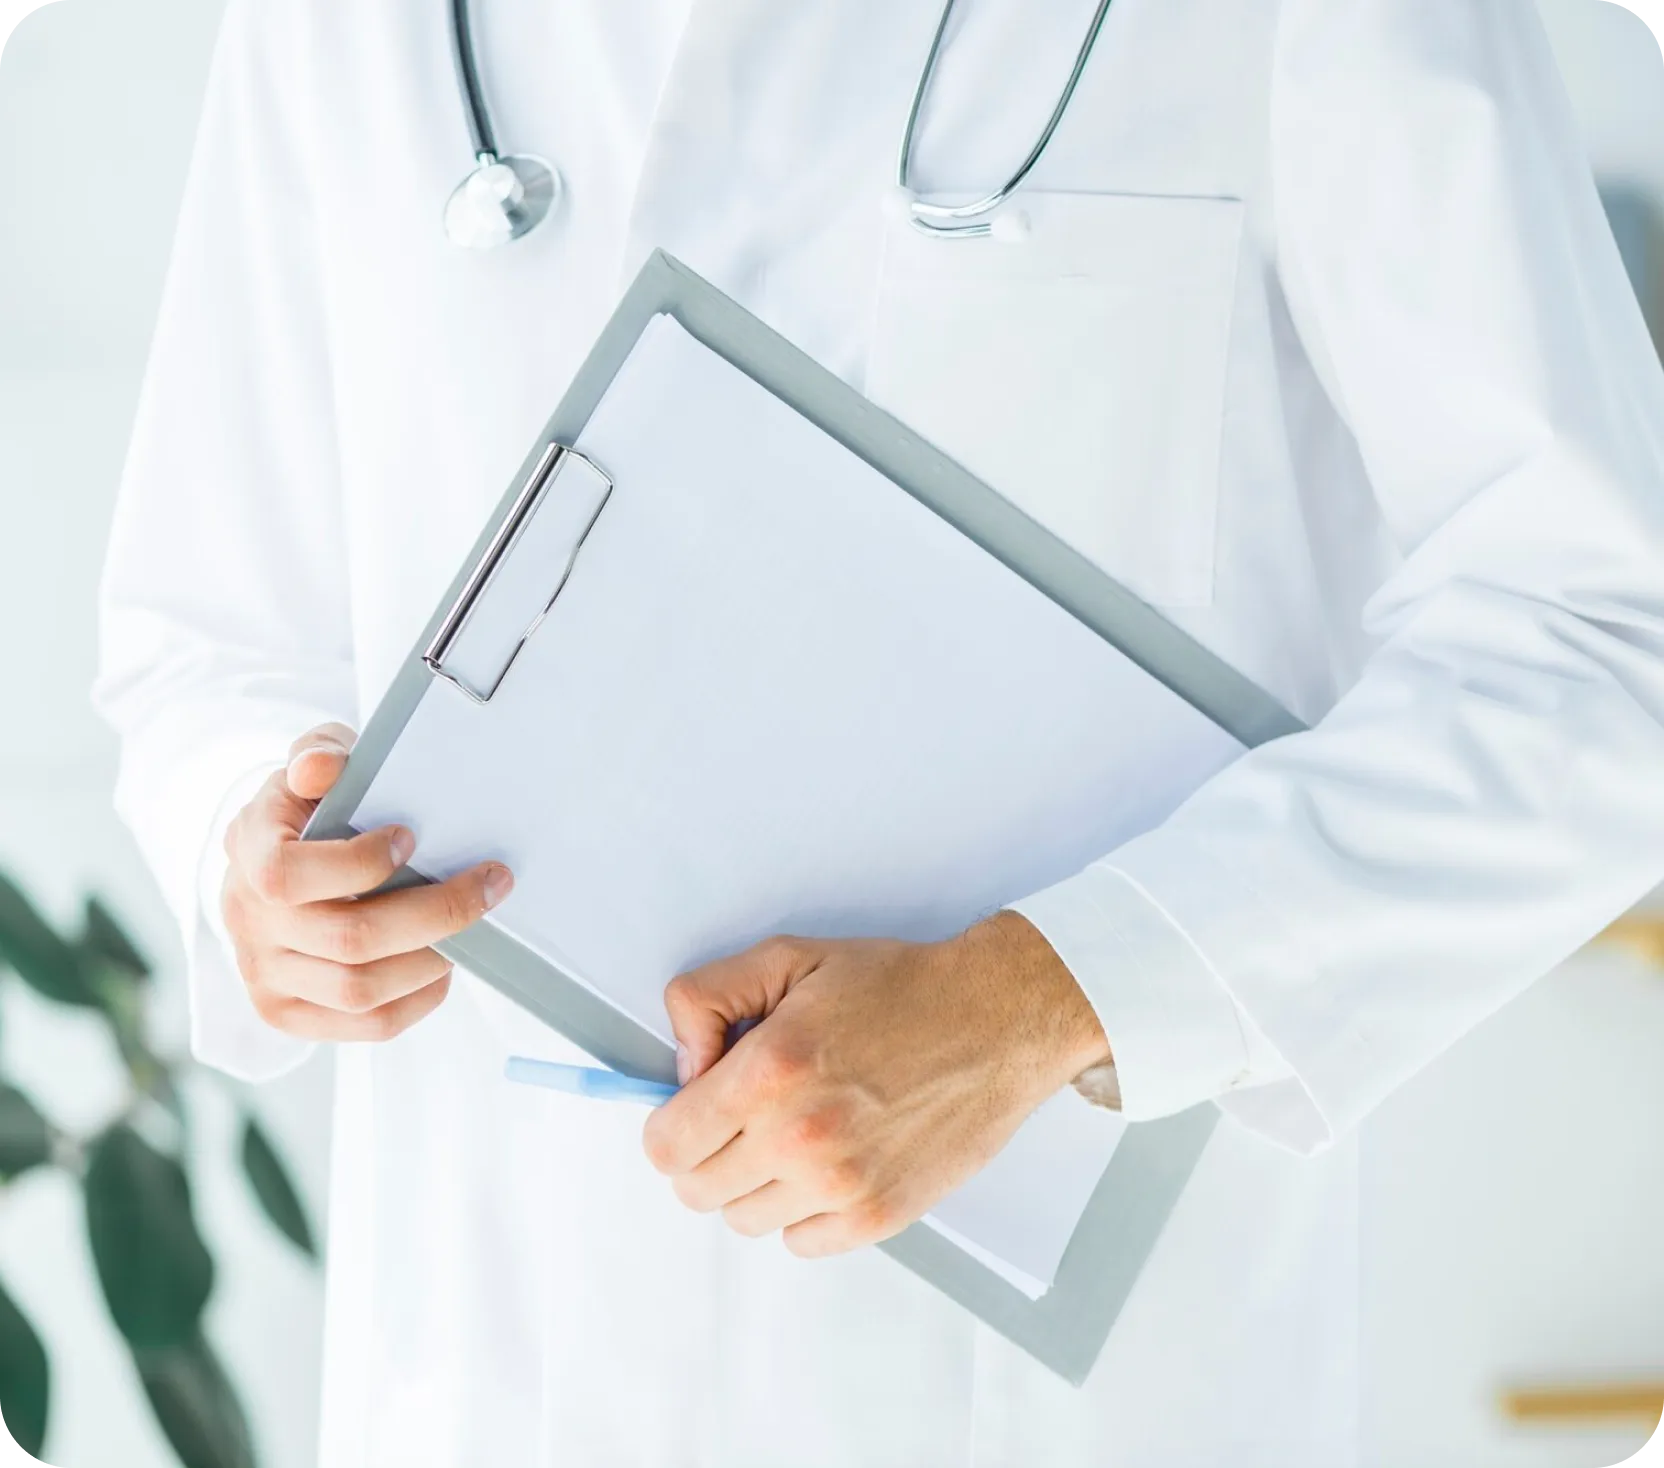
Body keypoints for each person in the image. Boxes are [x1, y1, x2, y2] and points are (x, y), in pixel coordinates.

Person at [94, 1, 1664, 1464]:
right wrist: (255, 845)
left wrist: (1052, 994)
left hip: (1063, 1402)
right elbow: (211, 636)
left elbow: (1603, 642)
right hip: (500, 1364)